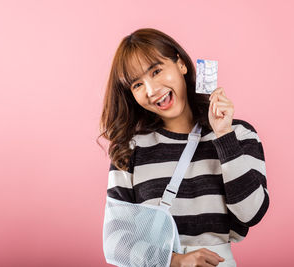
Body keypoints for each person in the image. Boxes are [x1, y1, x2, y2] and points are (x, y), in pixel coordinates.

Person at [98, 28, 269, 267]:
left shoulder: (238, 134)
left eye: (156, 71)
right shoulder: (131, 148)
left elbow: (251, 213)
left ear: (181, 64)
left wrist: (223, 135)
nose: (151, 90)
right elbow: (115, 241)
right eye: (137, 84)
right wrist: (174, 261)